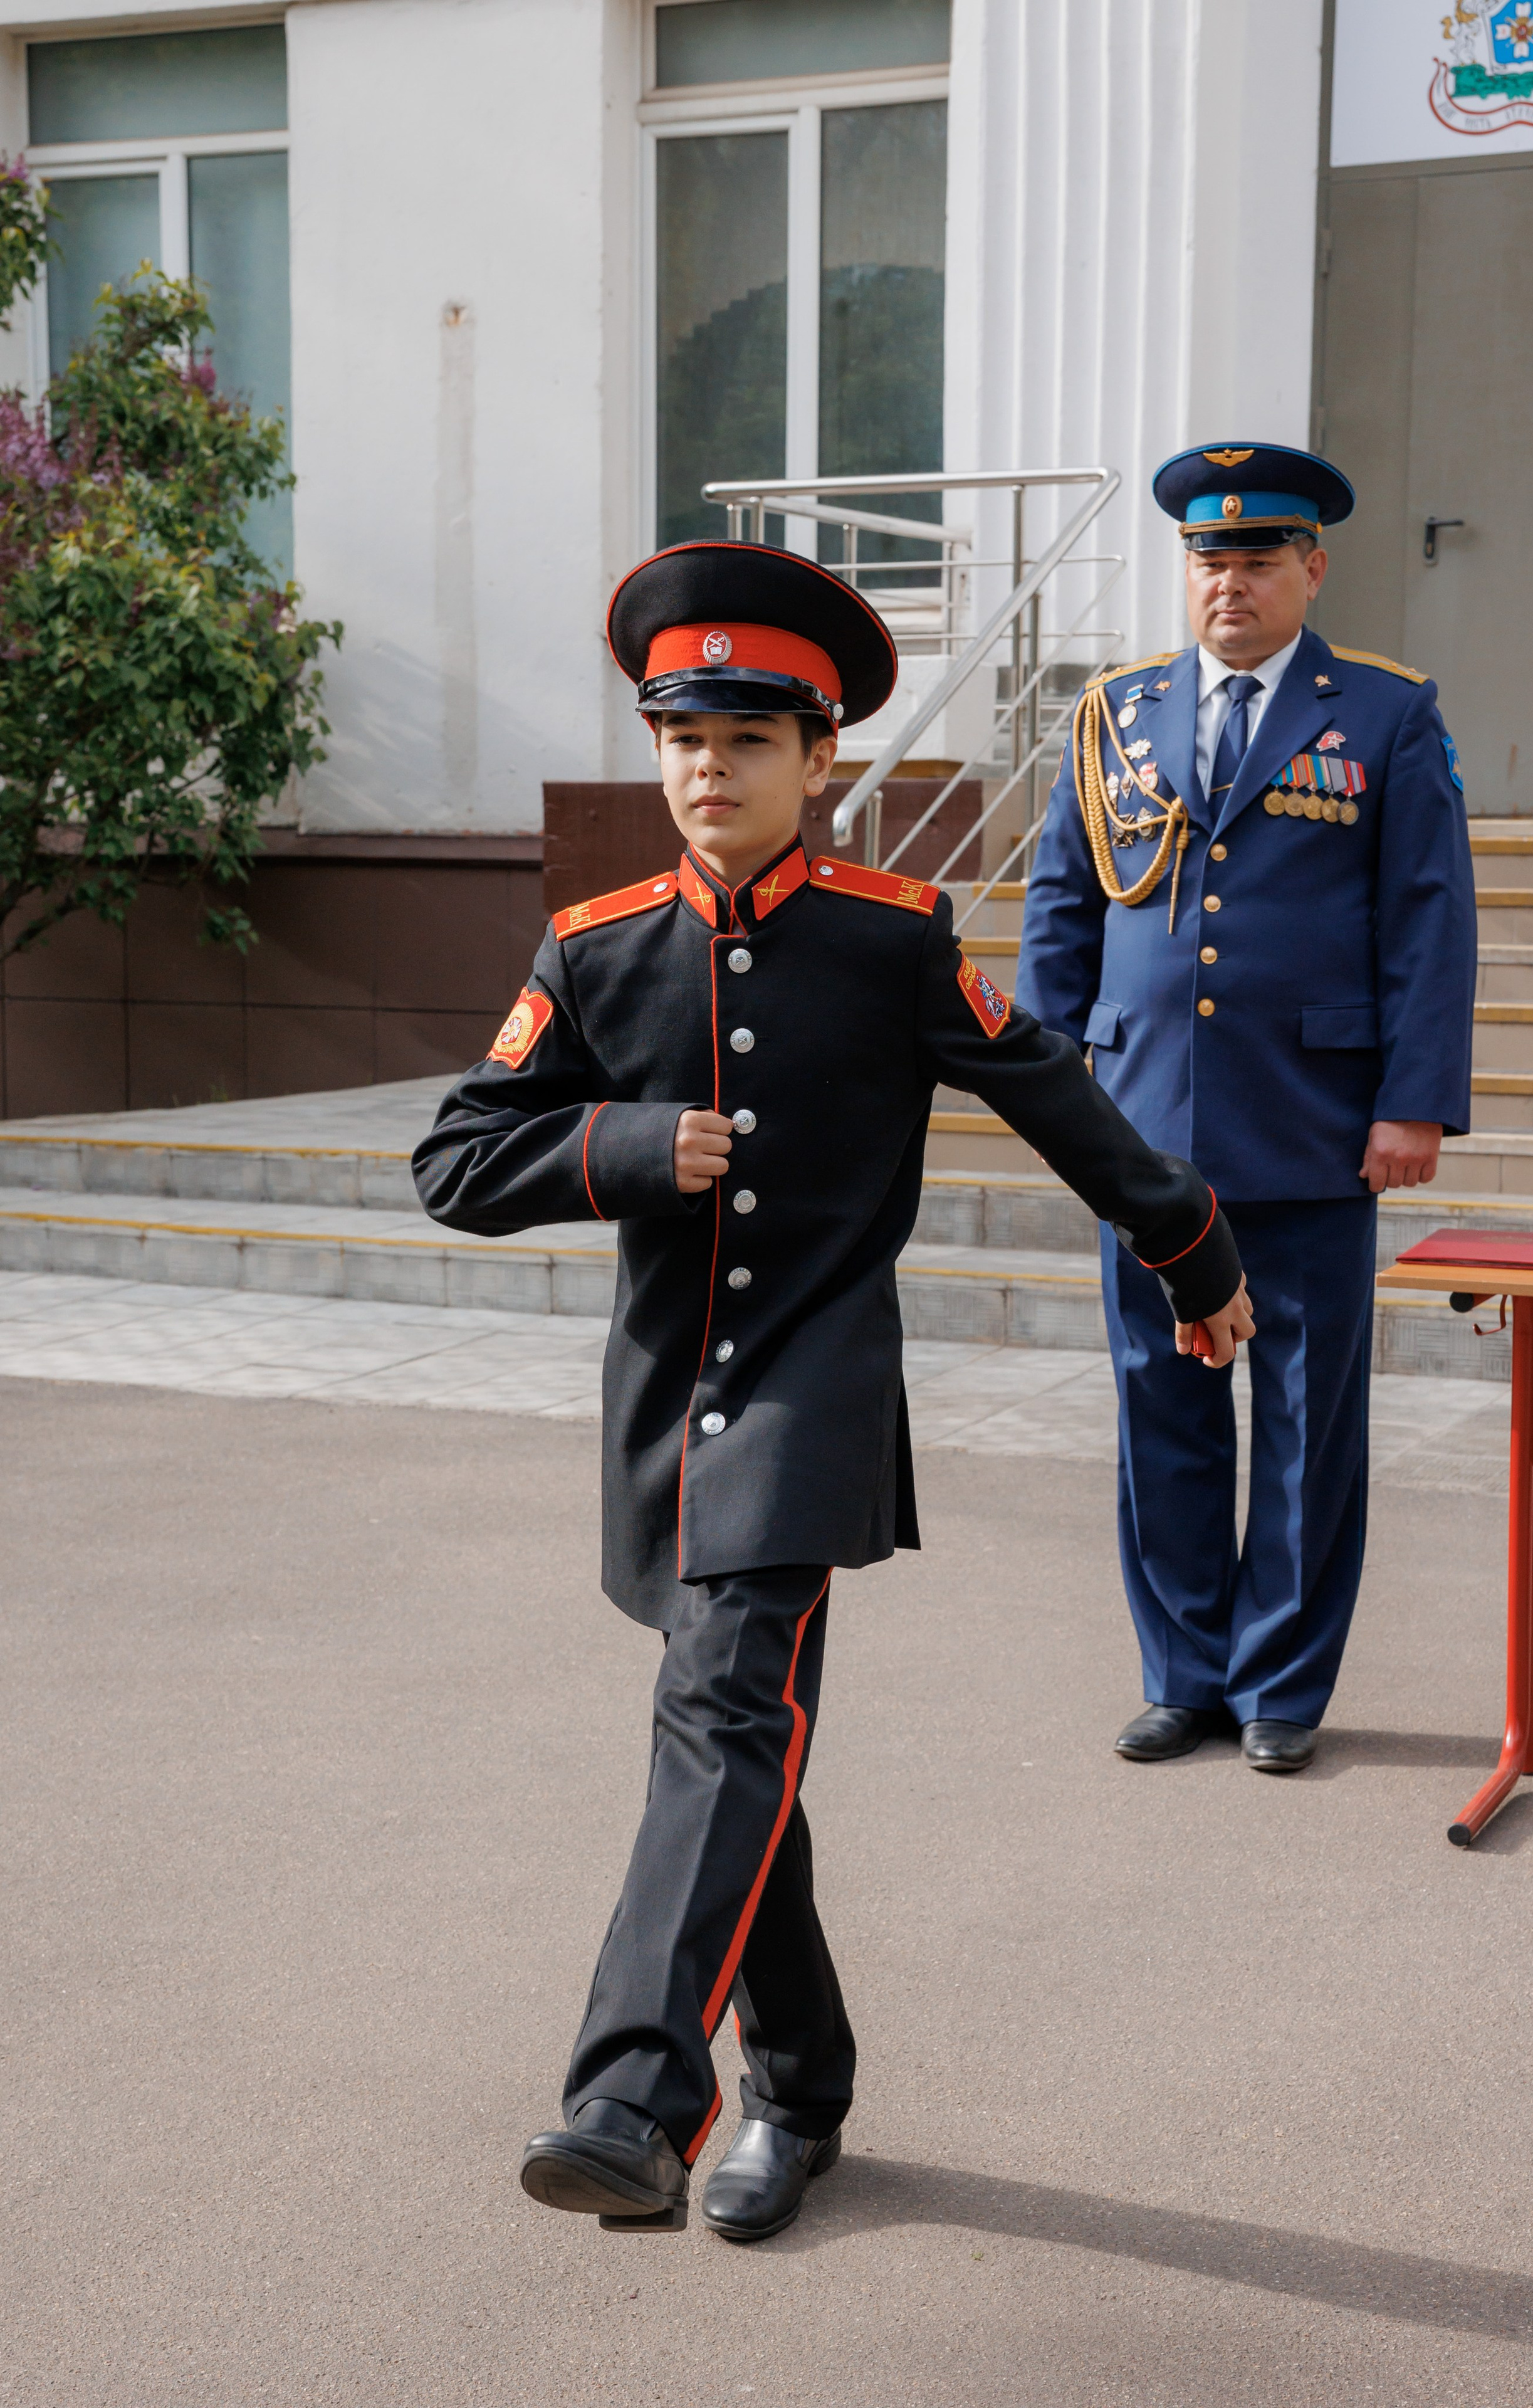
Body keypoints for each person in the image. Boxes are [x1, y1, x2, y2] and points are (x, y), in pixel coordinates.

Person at [412, 539, 1250, 2244]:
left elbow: (1052, 1094)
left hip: (813, 1393)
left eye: (744, 741)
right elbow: (456, 1158)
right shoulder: (594, 947)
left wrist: (1194, 1251)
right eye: (680, 740)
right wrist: (634, 1146)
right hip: (662, 1409)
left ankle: (636, 2095)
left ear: (821, 762)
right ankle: (804, 2087)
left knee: (722, 1714)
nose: (704, 772)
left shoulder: (895, 936)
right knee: (746, 1762)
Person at [1016, 442, 1477, 1777]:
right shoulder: (1114, 714)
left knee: (1298, 1426)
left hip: (1315, 1127)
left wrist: (1412, 1106)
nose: (1229, 580)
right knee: (1158, 1406)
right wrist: (1053, 1091)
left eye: (1258, 557)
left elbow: (1426, 922)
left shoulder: (1383, 713)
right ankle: (1182, 1676)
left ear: (1309, 569)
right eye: (1208, 558)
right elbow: (1062, 909)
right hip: (1143, 1131)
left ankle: (1279, 1684)